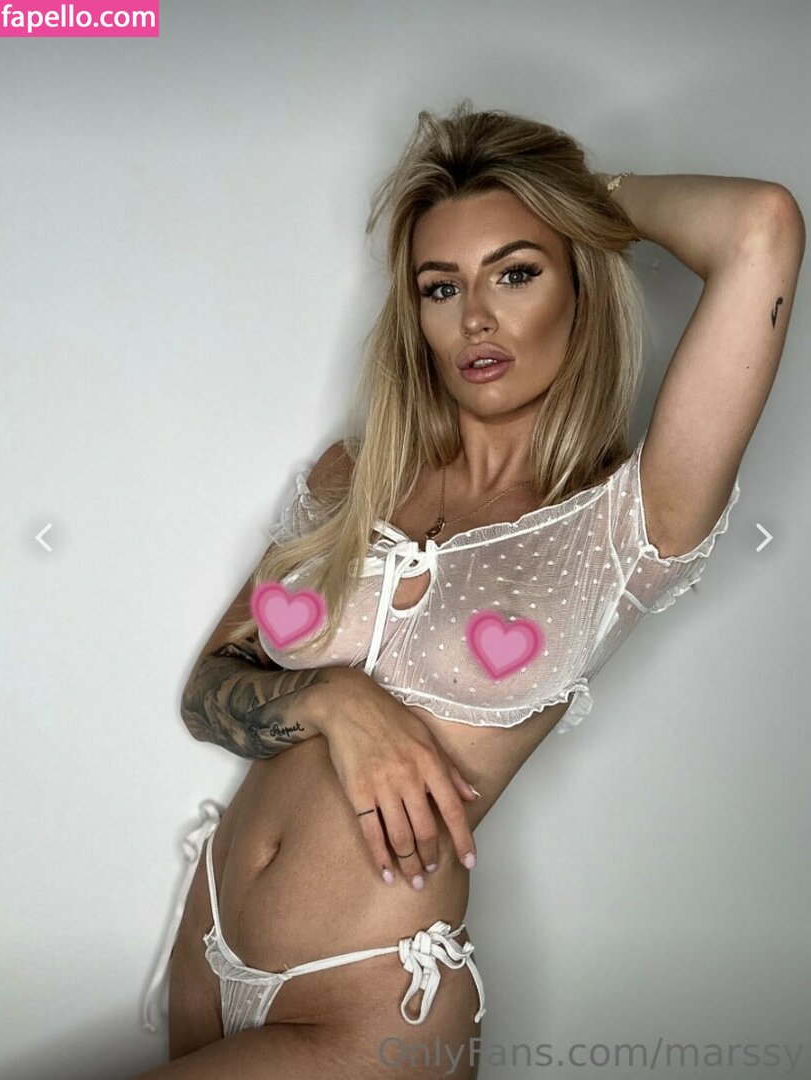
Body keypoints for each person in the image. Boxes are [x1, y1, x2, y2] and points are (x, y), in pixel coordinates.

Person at [134, 101, 804, 1079]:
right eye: (440, 287)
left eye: (516, 272)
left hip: (370, 1000)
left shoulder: (629, 521)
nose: (476, 319)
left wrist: (570, 198)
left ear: (579, 278)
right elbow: (208, 690)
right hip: (207, 946)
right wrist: (336, 699)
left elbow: (761, 227)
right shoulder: (355, 474)